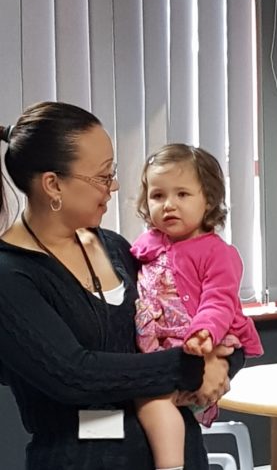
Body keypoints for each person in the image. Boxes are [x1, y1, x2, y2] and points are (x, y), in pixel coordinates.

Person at [0, 101, 245, 470]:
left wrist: (223, 360)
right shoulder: (11, 274)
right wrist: (193, 368)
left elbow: (194, 317)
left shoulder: (115, 246)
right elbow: (75, 374)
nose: (114, 185)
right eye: (102, 176)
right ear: (53, 184)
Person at [130, 143, 263, 470]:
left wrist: (204, 332)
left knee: (156, 405)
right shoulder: (144, 247)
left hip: (203, 342)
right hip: (158, 347)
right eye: (157, 196)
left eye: (182, 195)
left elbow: (219, 300)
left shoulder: (216, 252)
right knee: (150, 407)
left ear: (209, 199)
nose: (168, 205)